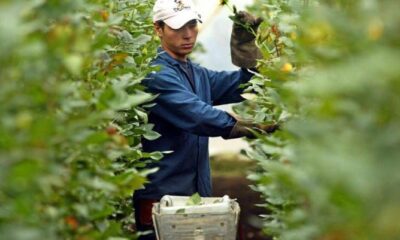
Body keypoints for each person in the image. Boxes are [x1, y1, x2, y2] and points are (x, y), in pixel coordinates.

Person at [133, 0, 278, 239]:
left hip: (195, 195)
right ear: (158, 29)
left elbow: (248, 82)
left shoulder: (196, 73)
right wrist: (251, 126)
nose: (188, 34)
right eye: (178, 27)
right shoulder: (154, 74)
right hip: (162, 199)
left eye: (192, 25)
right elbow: (198, 115)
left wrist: (246, 45)